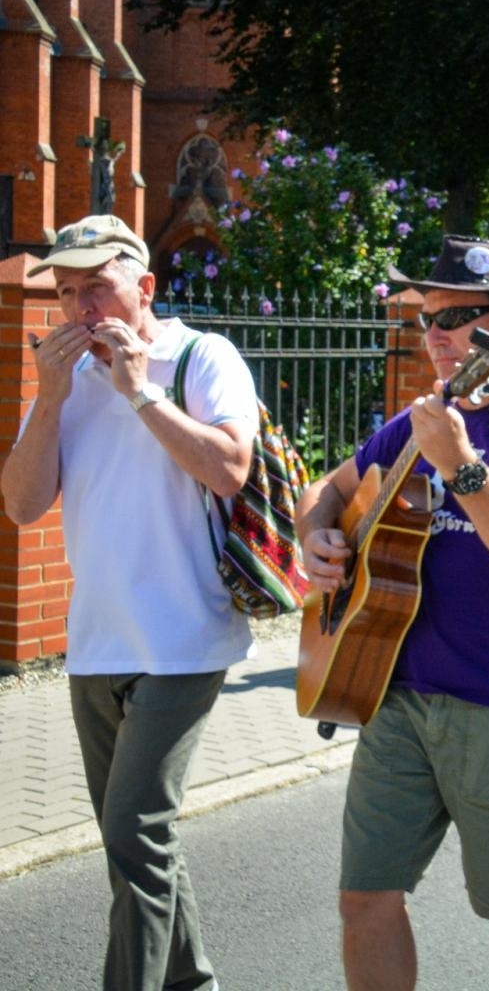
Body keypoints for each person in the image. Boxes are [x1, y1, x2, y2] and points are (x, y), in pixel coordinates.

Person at [295, 235, 489, 991]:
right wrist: (317, 537)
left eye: (455, 317)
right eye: (427, 319)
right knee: (363, 898)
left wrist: (460, 466)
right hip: (394, 693)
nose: (435, 336)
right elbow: (324, 490)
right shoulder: (422, 418)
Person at [3, 216, 255, 991]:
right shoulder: (62, 382)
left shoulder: (200, 355)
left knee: (132, 831)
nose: (78, 308)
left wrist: (139, 390)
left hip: (186, 638)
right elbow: (21, 505)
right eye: (66, 292)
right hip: (96, 641)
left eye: (96, 288)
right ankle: (193, 982)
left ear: (144, 287)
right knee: (138, 848)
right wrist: (48, 399)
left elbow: (229, 469)